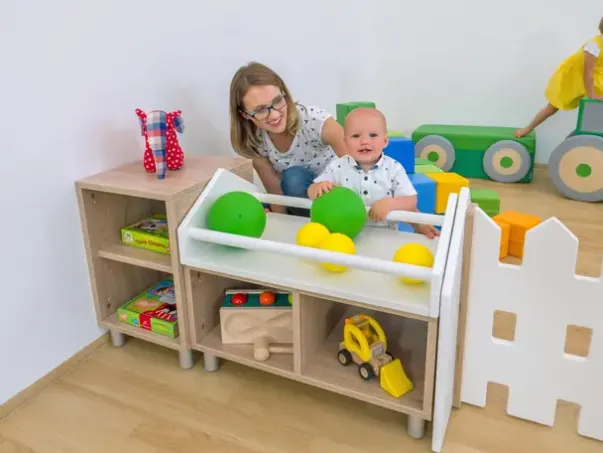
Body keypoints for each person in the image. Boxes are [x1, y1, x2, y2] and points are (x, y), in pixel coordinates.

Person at [229, 61, 349, 215]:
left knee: (294, 177)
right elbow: (276, 193)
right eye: (260, 110)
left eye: (277, 101)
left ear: (284, 93)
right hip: (296, 199)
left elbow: (357, 169)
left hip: (333, 192)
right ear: (245, 115)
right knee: (253, 203)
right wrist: (279, 220)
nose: (274, 115)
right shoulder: (256, 140)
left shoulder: (315, 121)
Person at [307, 107, 440, 239]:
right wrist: (318, 188)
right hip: (345, 234)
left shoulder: (394, 169)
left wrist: (389, 204)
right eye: (356, 136)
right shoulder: (337, 167)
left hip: (386, 236)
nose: (364, 141)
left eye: (373, 135)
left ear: (385, 141)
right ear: (345, 141)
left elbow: (410, 200)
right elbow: (311, 191)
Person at [514, 18, 603, 138]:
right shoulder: (594, 45)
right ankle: (527, 129)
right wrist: (592, 96)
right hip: (575, 78)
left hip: (598, 78)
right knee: (551, 108)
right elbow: (588, 74)